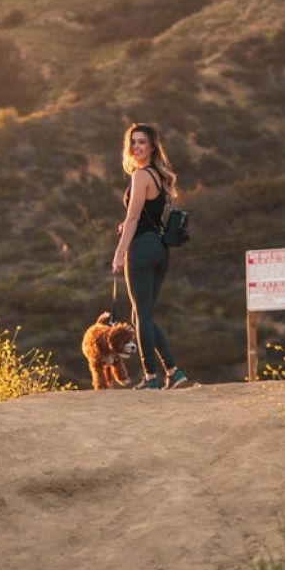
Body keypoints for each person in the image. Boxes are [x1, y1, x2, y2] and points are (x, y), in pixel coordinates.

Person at [111, 122, 193, 390]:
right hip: (159, 249)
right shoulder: (159, 176)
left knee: (141, 315)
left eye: (142, 142)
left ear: (152, 146)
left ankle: (150, 377)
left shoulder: (140, 176)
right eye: (133, 142)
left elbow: (134, 216)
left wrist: (119, 253)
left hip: (142, 250)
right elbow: (147, 216)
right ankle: (174, 371)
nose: (136, 146)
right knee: (141, 314)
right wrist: (129, 227)